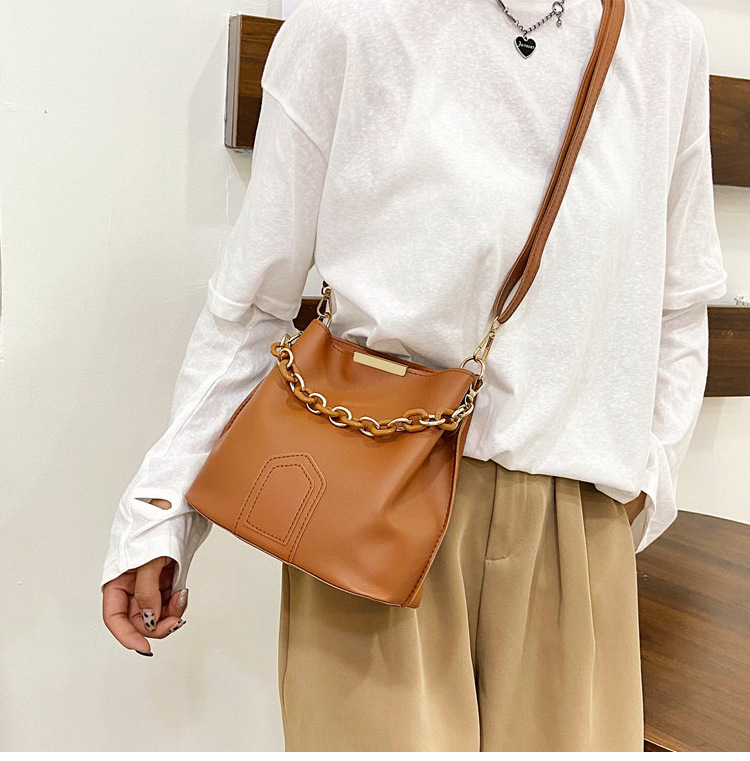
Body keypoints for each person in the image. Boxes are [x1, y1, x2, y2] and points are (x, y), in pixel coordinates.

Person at [101, 0, 728, 751]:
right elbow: (253, 304)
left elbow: (677, 302)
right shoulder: (348, 26)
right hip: (371, 509)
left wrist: (643, 489)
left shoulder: (663, 41)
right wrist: (163, 511)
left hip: (575, 530)